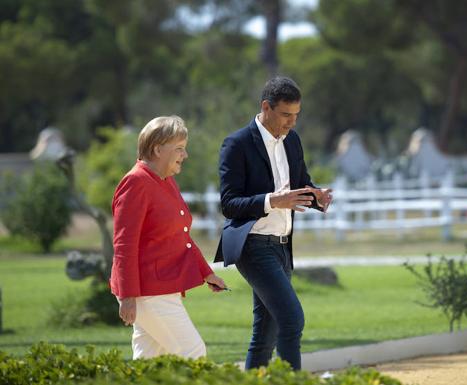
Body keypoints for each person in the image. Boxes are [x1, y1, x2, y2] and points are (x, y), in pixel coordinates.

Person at [215, 76, 332, 370]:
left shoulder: (292, 140)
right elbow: (229, 204)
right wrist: (272, 201)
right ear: (266, 107)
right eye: (285, 115)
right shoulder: (237, 144)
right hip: (252, 246)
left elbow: (299, 184)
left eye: (296, 116)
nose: (291, 122)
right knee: (292, 320)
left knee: (265, 334)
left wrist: (317, 196)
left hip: (282, 248)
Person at [110, 115, 227, 359]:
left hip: (161, 289)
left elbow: (180, 235)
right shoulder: (136, 182)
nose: (185, 155)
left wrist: (207, 272)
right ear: (157, 149)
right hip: (149, 292)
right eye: (180, 149)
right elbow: (124, 245)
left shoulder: (166, 180)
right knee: (194, 353)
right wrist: (127, 296)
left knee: (151, 363)